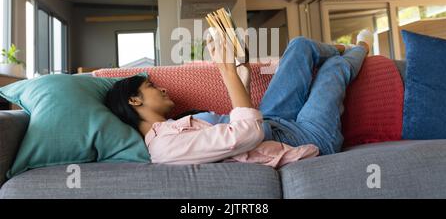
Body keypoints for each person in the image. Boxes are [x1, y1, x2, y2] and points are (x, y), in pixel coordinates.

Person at [105, 30, 373, 168]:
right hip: (304, 139)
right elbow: (247, 134)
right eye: (151, 87)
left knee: (300, 46)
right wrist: (226, 70)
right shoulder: (164, 148)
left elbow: (239, 120)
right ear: (134, 101)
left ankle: (342, 48)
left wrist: (241, 78)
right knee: (332, 71)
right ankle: (361, 49)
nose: (162, 90)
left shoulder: (172, 127)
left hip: (271, 118)